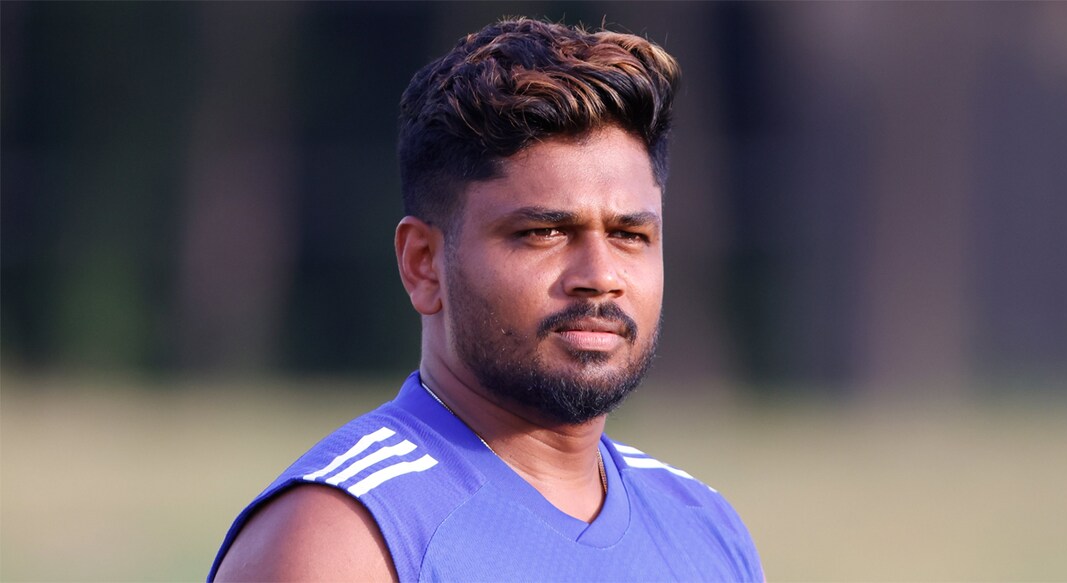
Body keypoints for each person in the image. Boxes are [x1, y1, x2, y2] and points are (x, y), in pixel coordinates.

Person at [210, 17, 764, 582]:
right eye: (544, 233)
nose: (600, 276)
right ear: (422, 263)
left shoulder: (703, 528)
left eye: (630, 235)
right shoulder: (344, 537)